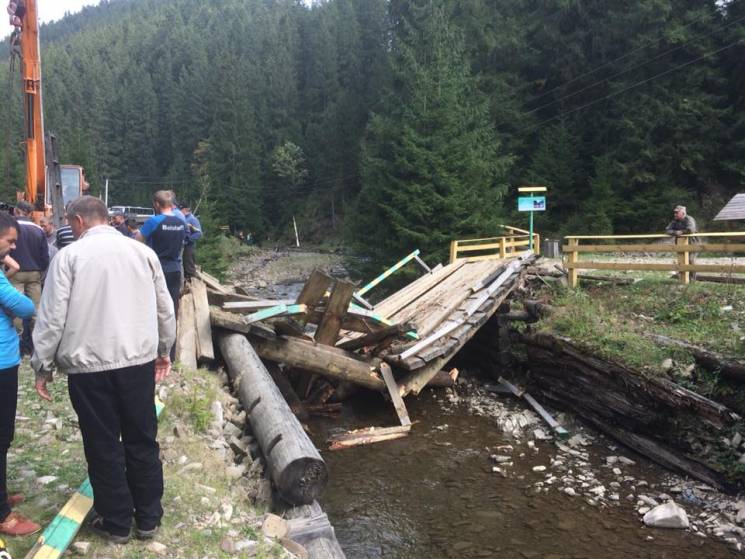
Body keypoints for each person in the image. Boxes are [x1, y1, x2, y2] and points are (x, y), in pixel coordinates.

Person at [31, 196, 176, 544]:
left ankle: (116, 522)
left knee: (102, 442)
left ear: (78, 221)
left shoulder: (68, 257)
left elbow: (52, 317)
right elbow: (164, 308)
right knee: (142, 437)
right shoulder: (142, 254)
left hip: (88, 368)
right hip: (137, 362)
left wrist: (42, 364)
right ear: (106, 218)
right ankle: (148, 518)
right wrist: (163, 350)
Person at [0, 213, 40, 537]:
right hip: (1, 363)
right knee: (1, 435)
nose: (14, 246)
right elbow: (26, 308)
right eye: (10, 240)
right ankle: (2, 514)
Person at [136, 191, 185, 360]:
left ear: (157, 204)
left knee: (151, 309)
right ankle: (169, 353)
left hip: (156, 270)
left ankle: (153, 352)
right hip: (175, 268)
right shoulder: (181, 222)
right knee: (171, 310)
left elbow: (138, 242)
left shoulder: (153, 221)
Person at [9, 201, 48, 349]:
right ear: (29, 213)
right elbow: (44, 255)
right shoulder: (38, 229)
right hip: (34, 273)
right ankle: (36, 343)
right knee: (36, 309)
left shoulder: (11, 227)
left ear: (17, 211)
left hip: (15, 271)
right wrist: (40, 269)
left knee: (15, 306)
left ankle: (17, 339)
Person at [666, 205, 698, 277]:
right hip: (680, 244)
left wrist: (681, 232)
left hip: (692, 243)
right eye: (675, 213)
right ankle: (683, 277)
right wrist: (676, 232)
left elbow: (691, 229)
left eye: (677, 213)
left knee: (690, 260)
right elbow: (667, 230)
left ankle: (692, 278)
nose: (675, 214)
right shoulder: (675, 221)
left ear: (683, 213)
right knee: (681, 260)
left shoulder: (689, 219)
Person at [178, 203, 202, 280]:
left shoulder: (192, 219)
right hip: (183, 245)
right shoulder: (183, 218)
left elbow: (198, 234)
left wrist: (188, 239)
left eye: (180, 210)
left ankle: (193, 282)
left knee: (189, 264)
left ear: (185, 210)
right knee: (184, 264)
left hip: (189, 246)